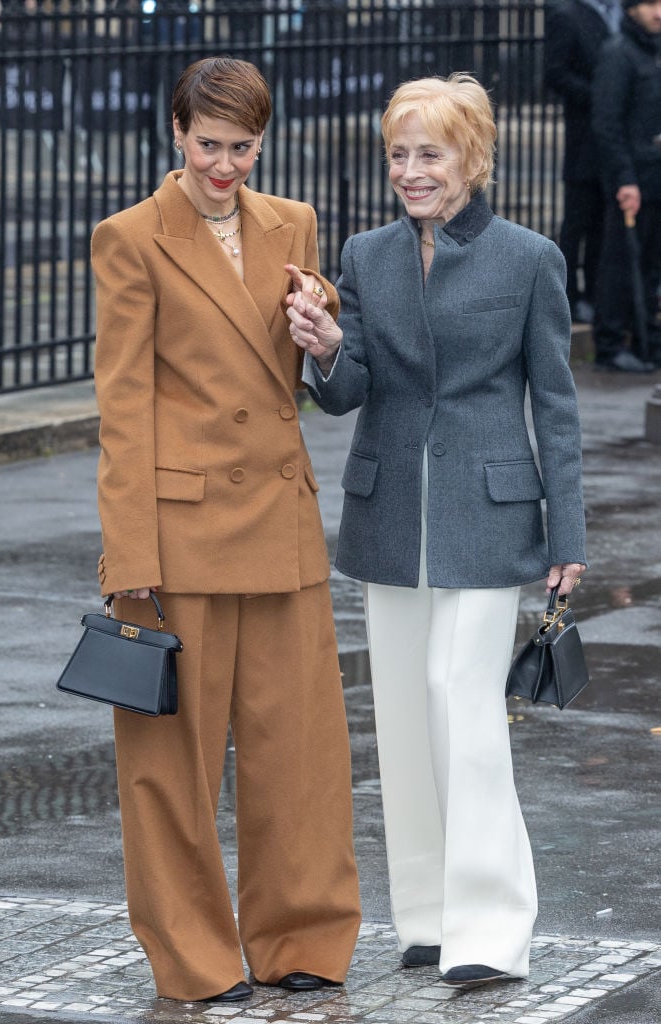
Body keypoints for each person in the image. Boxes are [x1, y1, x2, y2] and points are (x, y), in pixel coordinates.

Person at [286, 73, 587, 989]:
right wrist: (326, 348)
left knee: (461, 706)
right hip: (388, 516)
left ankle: (490, 927)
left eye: (430, 154)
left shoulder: (528, 257)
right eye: (398, 154)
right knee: (407, 720)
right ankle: (425, 916)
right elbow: (346, 392)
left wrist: (566, 536)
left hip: (492, 521)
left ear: (473, 156)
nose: (411, 172)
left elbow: (557, 407)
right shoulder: (366, 254)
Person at [91, 56, 361, 1005]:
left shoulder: (292, 223)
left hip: (281, 526)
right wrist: (128, 559)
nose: (225, 166)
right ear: (176, 133)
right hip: (180, 535)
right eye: (209, 145)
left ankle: (300, 938)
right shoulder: (128, 239)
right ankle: (194, 960)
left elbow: (311, 378)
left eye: (243, 146)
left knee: (303, 754)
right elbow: (123, 406)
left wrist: (319, 329)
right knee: (172, 766)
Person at [591, 0, 661, 371]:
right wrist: (624, 179)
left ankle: (646, 340)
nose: (659, 12)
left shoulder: (653, 51)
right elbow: (607, 124)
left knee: (649, 265)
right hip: (632, 180)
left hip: (654, 177)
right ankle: (610, 344)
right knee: (619, 262)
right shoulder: (619, 53)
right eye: (650, 3)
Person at [544, 0, 621, 324]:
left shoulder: (619, 14)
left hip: (614, 136)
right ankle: (568, 297)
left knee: (604, 220)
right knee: (578, 220)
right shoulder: (567, 15)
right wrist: (601, 95)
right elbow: (556, 73)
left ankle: (594, 293)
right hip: (584, 137)